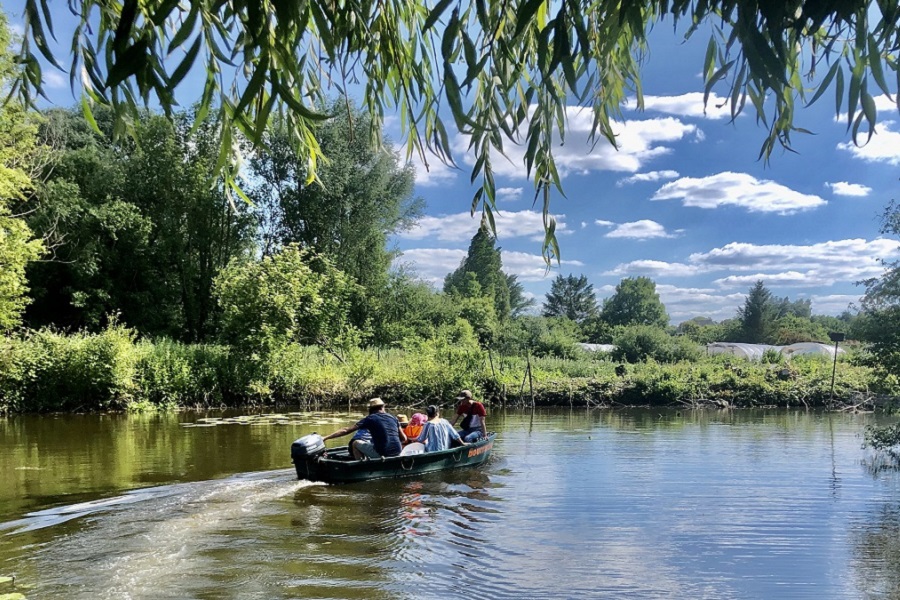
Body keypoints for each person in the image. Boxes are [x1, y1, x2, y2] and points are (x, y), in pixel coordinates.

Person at [322, 398, 407, 459]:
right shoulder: (393, 417)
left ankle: (360, 466)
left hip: (382, 453)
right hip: (397, 452)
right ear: (382, 407)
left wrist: (326, 437)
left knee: (355, 443)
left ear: (370, 409)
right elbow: (404, 438)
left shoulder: (370, 419)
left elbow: (346, 430)